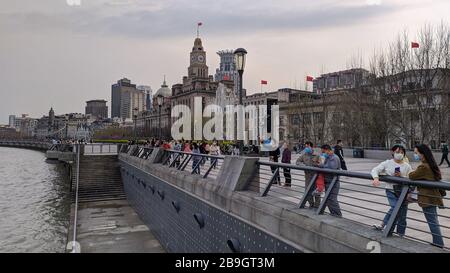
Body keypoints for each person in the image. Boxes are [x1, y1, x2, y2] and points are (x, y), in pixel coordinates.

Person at [371, 145, 412, 236]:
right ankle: (383, 225)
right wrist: (376, 178)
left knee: (402, 215)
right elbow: (375, 170)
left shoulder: (407, 166)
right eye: (397, 152)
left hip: (403, 191)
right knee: (395, 208)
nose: (400, 154)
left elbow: (410, 179)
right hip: (391, 190)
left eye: (402, 152)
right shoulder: (387, 163)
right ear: (392, 152)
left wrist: (401, 177)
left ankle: (401, 234)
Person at [409, 144, 445, 248]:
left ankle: (438, 243)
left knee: (432, 221)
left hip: (427, 198)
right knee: (434, 220)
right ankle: (437, 242)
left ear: (423, 154)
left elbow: (411, 176)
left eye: (416, 153)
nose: (415, 155)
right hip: (433, 197)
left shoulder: (423, 167)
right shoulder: (430, 164)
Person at [318, 144, 342, 217]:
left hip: (333, 182)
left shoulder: (334, 158)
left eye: (323, 152)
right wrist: (321, 162)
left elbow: (333, 169)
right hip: (327, 181)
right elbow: (323, 165)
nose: (323, 153)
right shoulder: (327, 157)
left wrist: (322, 167)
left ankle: (338, 215)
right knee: (328, 199)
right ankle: (333, 214)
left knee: (332, 199)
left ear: (327, 150)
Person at [296, 141, 321, 208]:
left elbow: (321, 164)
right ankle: (311, 204)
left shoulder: (317, 155)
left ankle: (317, 206)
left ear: (310, 146)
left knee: (317, 191)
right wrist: (303, 165)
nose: (305, 148)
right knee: (307, 191)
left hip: (316, 176)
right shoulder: (304, 155)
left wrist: (317, 165)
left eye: (307, 146)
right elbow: (297, 162)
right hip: (307, 176)